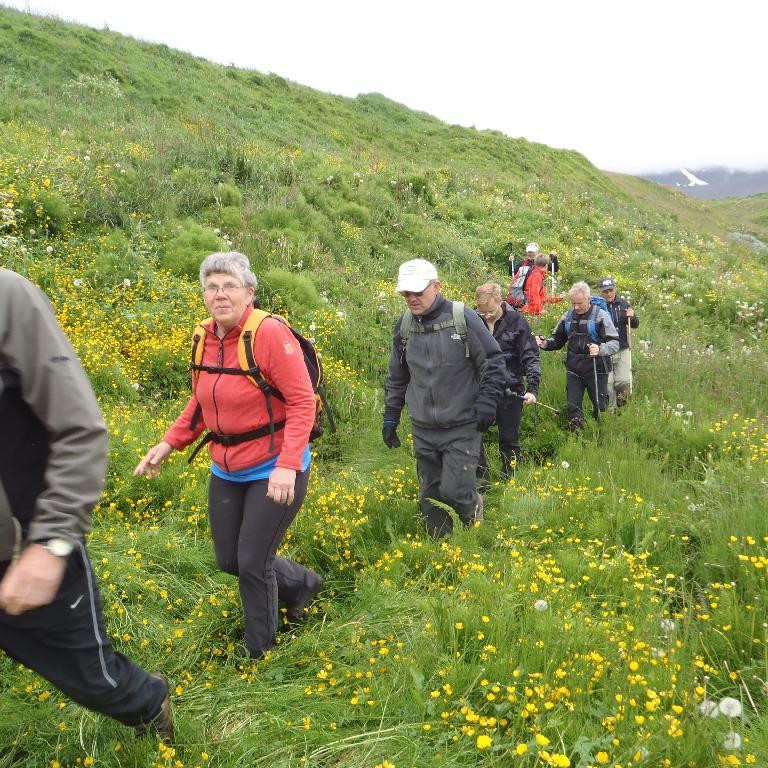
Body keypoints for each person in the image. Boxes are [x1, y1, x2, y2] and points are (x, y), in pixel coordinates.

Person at [0, 268, 173, 741]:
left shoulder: (7, 298)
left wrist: (52, 543)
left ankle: (148, 703)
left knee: (91, 676)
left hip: (25, 547)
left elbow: (81, 428)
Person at [133, 252, 322, 659]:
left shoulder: (269, 334)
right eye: (212, 287)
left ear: (249, 293)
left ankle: (262, 653)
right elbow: (201, 402)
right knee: (229, 559)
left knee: (253, 561)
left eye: (230, 286)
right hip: (227, 465)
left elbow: (303, 402)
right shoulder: (204, 336)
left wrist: (288, 466)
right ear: (204, 294)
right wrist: (167, 444)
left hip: (275, 465)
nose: (220, 294)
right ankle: (303, 584)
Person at [383, 259, 506, 538]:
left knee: (456, 489)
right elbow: (397, 376)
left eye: (418, 292)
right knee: (430, 493)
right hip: (424, 426)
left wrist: (487, 403)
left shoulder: (462, 318)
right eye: (406, 294)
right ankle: (441, 547)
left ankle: (473, 524)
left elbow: (493, 362)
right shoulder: (404, 326)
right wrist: (391, 416)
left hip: (462, 425)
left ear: (436, 287)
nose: (411, 299)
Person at [475, 283, 540, 479]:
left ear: (500, 301)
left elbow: (530, 355)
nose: (486, 316)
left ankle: (509, 480)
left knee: (509, 438)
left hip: (511, 389)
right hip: (481, 390)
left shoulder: (516, 321)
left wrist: (533, 389)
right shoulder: (473, 320)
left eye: (491, 311)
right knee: (472, 432)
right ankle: (480, 479)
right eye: (482, 312)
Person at [536, 281, 620, 431]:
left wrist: (600, 349)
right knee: (573, 406)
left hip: (597, 368)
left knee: (600, 406)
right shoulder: (567, 317)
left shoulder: (601, 316)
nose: (576, 307)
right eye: (573, 303)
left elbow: (615, 343)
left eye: (579, 303)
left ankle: (600, 435)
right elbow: (557, 340)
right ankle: (576, 437)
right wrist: (545, 344)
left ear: (589, 299)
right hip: (574, 368)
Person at [597, 277, 639, 409]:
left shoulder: (623, 304)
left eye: (611, 290)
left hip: (622, 348)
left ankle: (622, 408)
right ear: (600, 292)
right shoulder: (596, 306)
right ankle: (611, 412)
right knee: (608, 384)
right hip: (605, 350)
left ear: (615, 289)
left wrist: (632, 316)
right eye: (605, 291)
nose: (608, 294)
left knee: (624, 382)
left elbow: (635, 324)